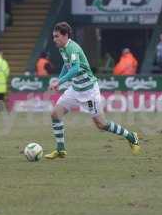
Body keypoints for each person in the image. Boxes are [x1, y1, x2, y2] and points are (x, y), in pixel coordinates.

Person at [45, 22, 140, 159]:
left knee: (101, 124)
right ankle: (60, 149)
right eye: (53, 36)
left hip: (89, 91)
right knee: (55, 114)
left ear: (65, 35)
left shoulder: (73, 48)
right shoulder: (62, 48)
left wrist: (60, 82)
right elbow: (67, 66)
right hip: (75, 89)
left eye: (56, 36)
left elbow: (75, 68)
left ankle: (131, 136)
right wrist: (58, 81)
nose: (54, 39)